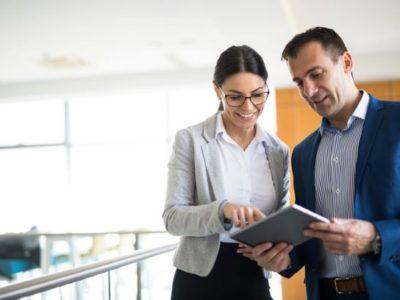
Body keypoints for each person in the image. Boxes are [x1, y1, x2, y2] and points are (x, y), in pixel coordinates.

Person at [249, 27, 400, 300]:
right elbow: (311, 234)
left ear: (346, 63)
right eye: (299, 82)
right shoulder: (303, 153)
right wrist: (284, 259)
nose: (308, 90)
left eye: (316, 74)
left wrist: (377, 236)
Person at [162, 45, 290, 300]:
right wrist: (223, 211)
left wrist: (280, 249)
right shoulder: (192, 140)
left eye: (257, 94)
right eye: (235, 97)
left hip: (255, 275)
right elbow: (173, 217)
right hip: (199, 279)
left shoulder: (279, 151)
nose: (249, 106)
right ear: (217, 91)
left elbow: (280, 222)